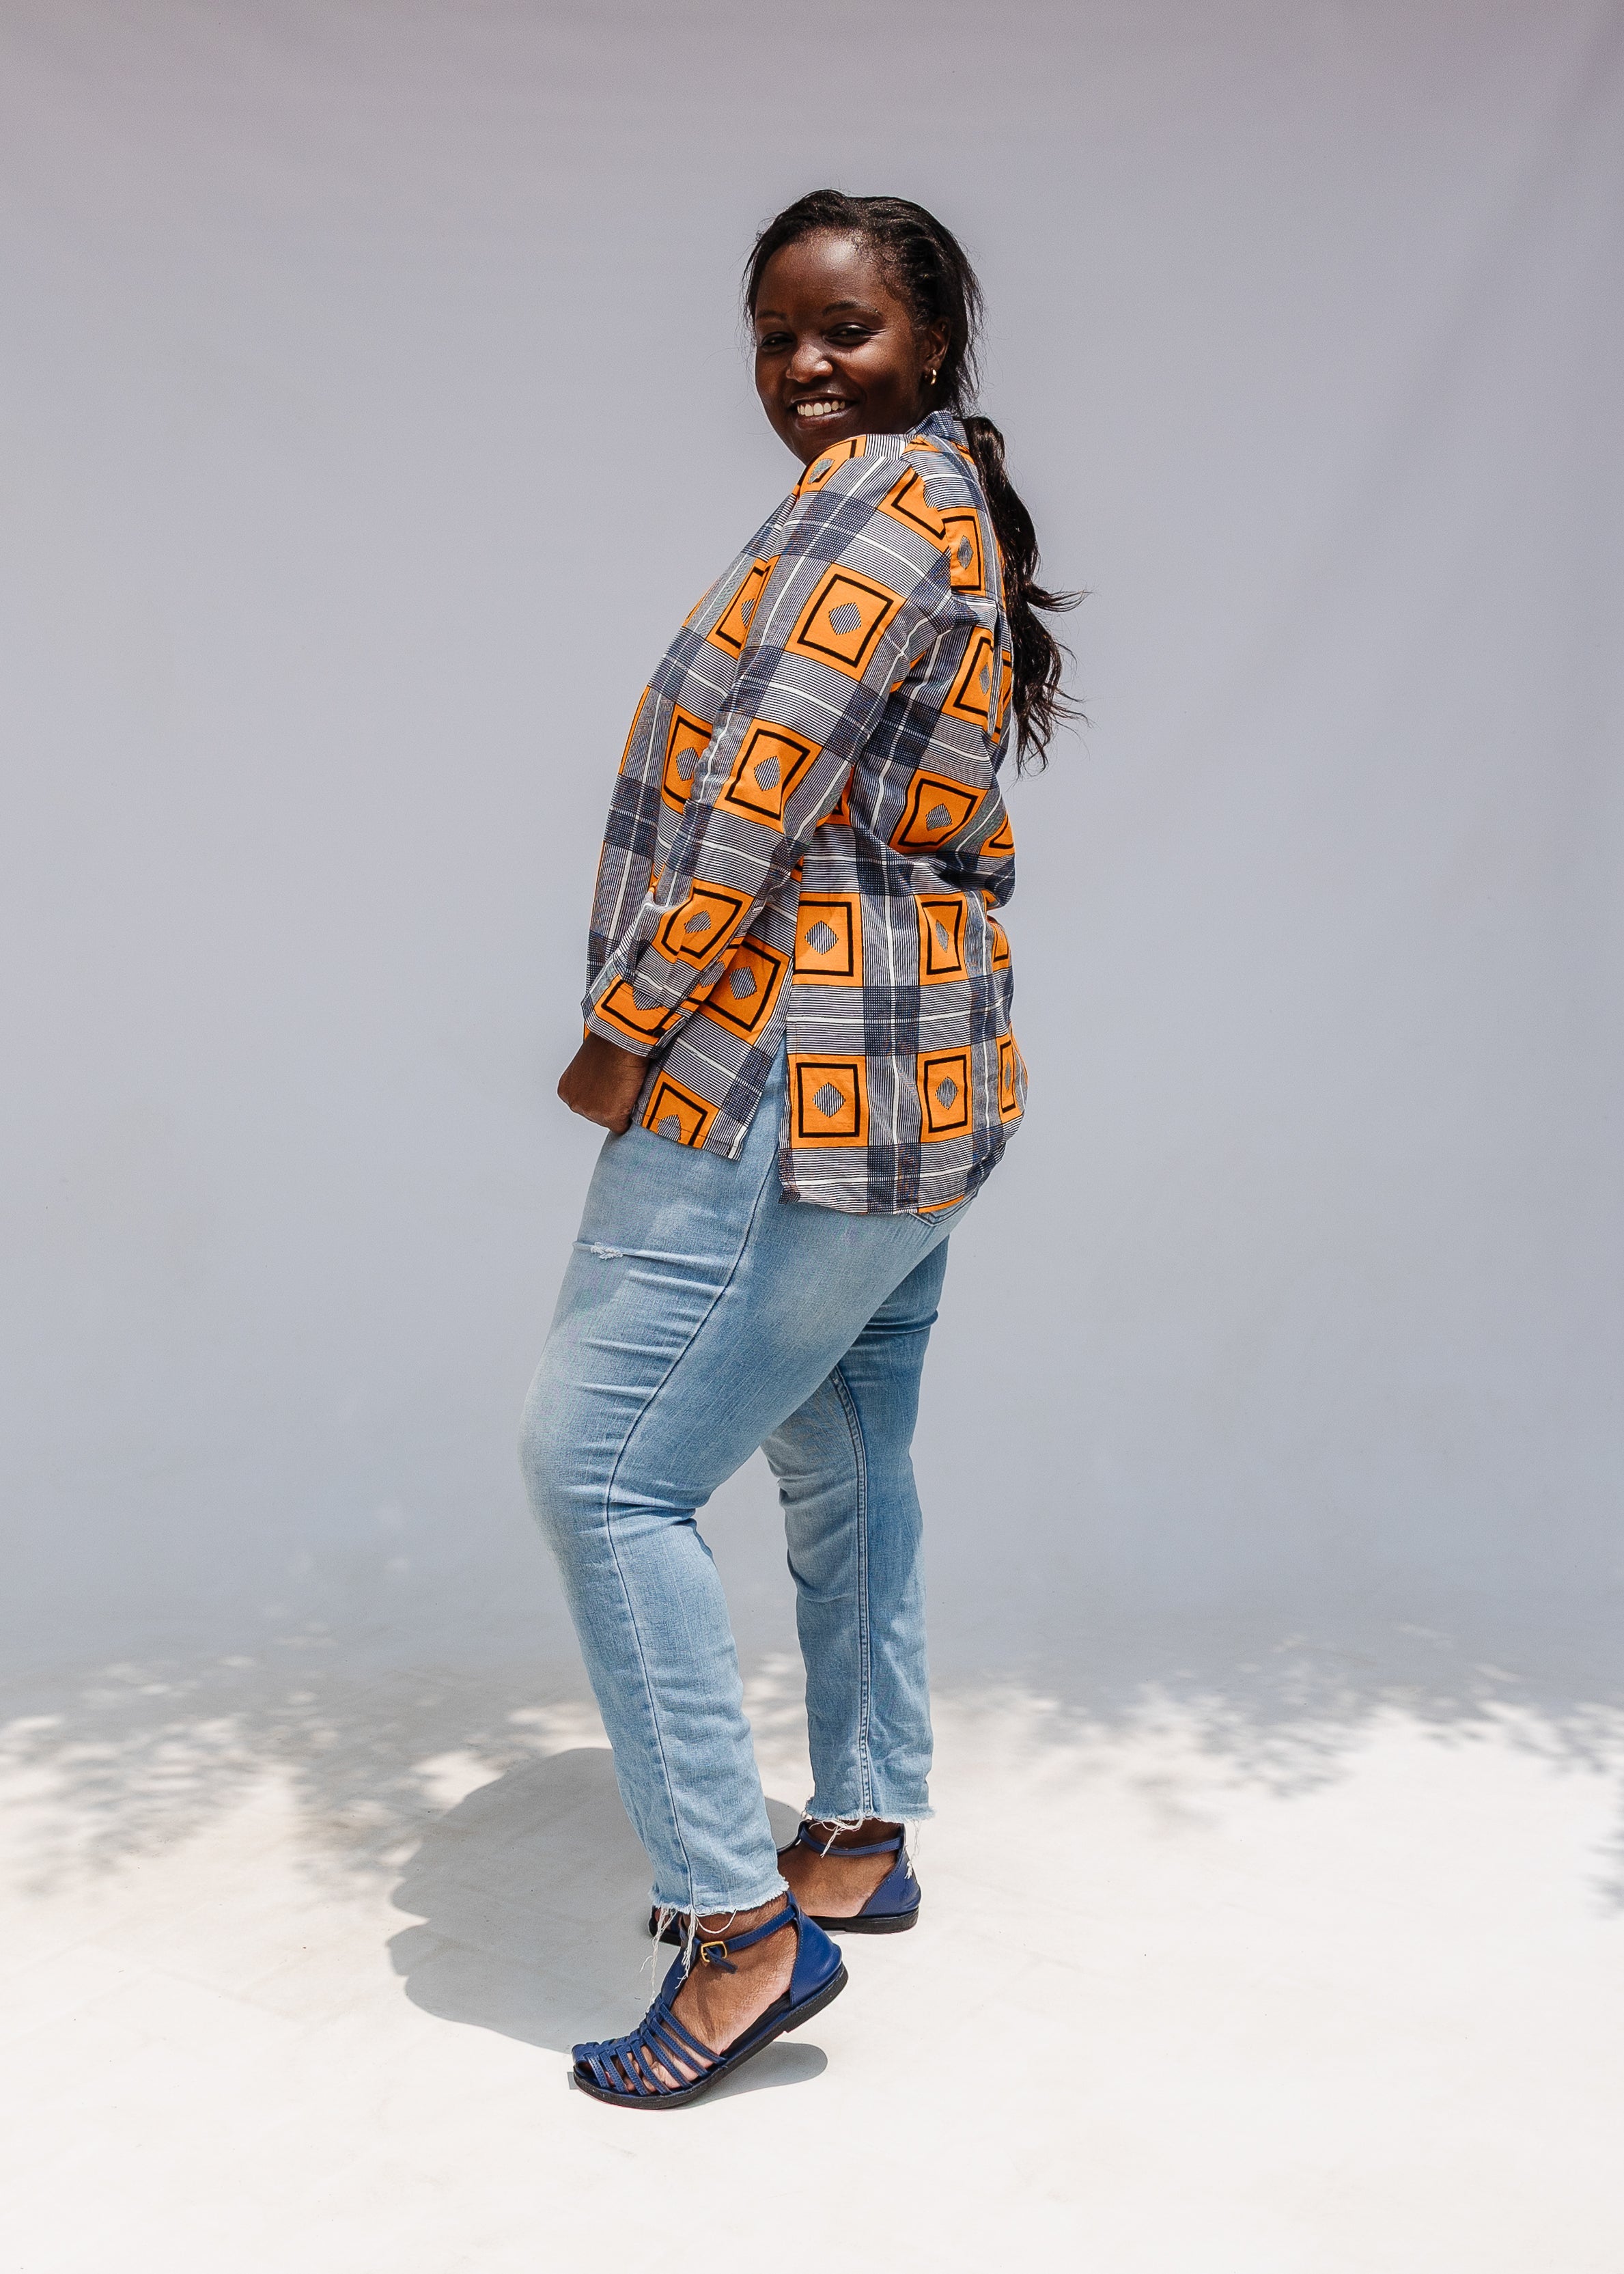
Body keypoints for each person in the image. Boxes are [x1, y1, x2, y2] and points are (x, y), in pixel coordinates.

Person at [519, 189, 1076, 2107]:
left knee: (597, 1471)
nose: (803, 369)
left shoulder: (872, 514)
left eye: (843, 328)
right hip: (919, 1085)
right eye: (774, 334)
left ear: (927, 333)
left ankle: (741, 1925)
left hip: (786, 1070)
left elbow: (760, 790)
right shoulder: (940, 504)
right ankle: (860, 1818)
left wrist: (622, 1031)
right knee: (841, 1450)